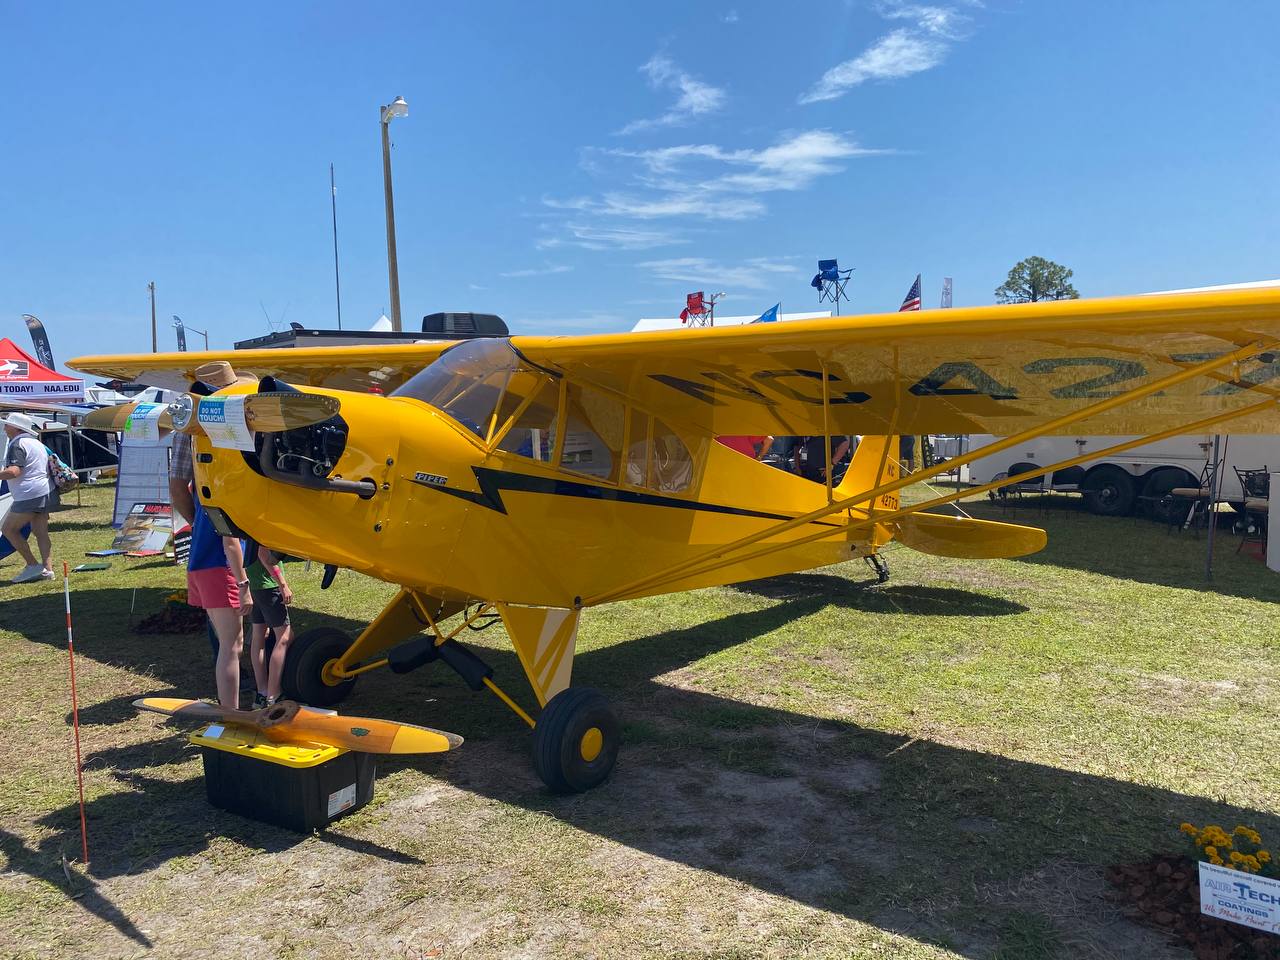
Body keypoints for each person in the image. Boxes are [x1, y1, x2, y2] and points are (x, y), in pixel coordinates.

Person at [0, 413, 55, 583]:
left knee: (8, 529)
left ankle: (32, 565)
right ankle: (48, 570)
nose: (4, 427)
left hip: (28, 494)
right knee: (41, 532)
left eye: (7, 425)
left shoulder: (17, 444)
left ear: (16, 428)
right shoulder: (36, 443)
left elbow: (14, 471)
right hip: (46, 491)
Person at [243, 539, 293, 708]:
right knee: (284, 636)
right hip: (268, 586)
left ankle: (262, 692)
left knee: (259, 635)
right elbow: (263, 554)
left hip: (254, 584)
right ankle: (274, 695)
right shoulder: (257, 526)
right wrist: (282, 584)